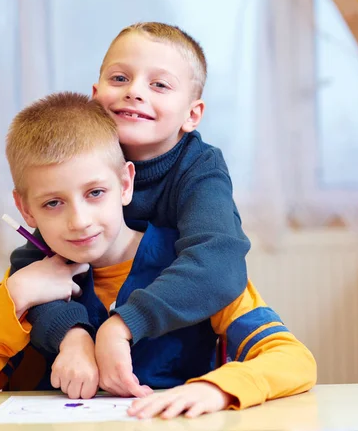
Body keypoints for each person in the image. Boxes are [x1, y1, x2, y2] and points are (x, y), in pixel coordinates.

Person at [0, 92, 317, 420]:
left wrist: (216, 390)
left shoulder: (193, 270)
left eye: (95, 193)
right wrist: (15, 294)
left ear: (125, 183)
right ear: (25, 210)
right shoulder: (34, 278)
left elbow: (294, 360)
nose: (79, 222)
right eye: (52, 203)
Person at [13, 22, 252, 398]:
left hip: (172, 361)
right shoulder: (82, 163)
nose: (134, 92)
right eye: (120, 78)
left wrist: (123, 323)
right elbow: (35, 265)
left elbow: (219, 263)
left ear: (193, 114)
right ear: (95, 97)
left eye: (159, 84)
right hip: (84, 371)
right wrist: (71, 336)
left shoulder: (200, 168)